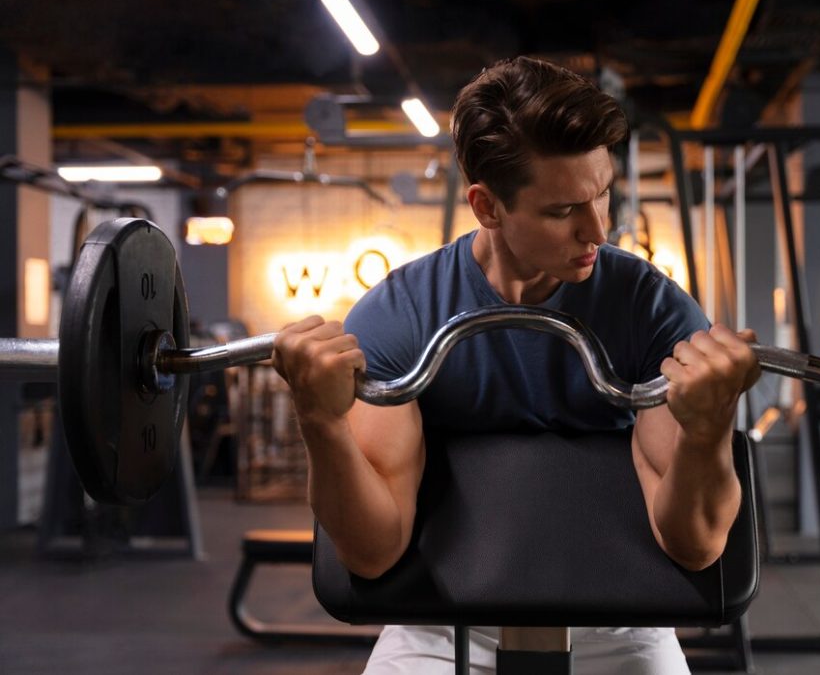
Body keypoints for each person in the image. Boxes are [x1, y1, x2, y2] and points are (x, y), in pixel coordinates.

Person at [272, 56, 760, 674]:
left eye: (603, 194)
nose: (598, 231)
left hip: (621, 618)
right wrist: (320, 421)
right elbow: (373, 551)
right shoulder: (400, 317)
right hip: (441, 622)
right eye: (563, 212)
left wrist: (711, 428)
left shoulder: (651, 311)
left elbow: (694, 546)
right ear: (488, 206)